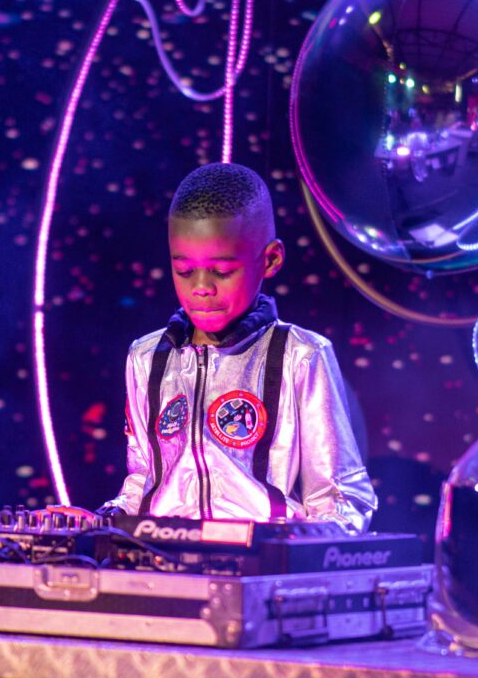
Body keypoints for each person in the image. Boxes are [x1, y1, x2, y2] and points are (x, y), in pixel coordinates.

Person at [98, 163, 376, 533]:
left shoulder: (301, 354)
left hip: (261, 557)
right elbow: (143, 479)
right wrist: (108, 518)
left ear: (271, 260)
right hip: (161, 553)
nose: (201, 287)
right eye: (184, 271)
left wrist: (290, 544)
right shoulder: (146, 357)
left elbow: (339, 496)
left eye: (222, 271)